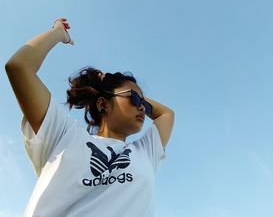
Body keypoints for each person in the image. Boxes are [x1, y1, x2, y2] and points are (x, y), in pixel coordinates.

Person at [5, 18, 175, 217]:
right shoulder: (64, 133)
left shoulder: (146, 152)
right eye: (135, 98)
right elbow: (19, 66)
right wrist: (59, 33)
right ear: (103, 104)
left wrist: (128, 93)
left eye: (145, 104)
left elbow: (166, 114)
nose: (142, 107)